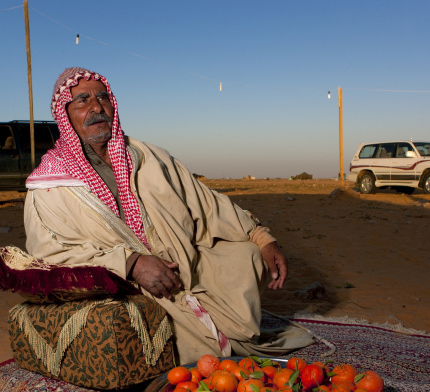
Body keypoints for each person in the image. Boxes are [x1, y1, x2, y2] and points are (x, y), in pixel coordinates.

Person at [24, 67, 313, 364]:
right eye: (82, 100)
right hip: (125, 284)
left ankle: (213, 327)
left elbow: (206, 204)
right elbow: (50, 256)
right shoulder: (49, 185)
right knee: (151, 336)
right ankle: (198, 340)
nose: (97, 107)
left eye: (103, 98)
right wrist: (132, 264)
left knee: (248, 256)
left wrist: (261, 236)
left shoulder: (149, 157)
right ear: (65, 115)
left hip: (186, 269)